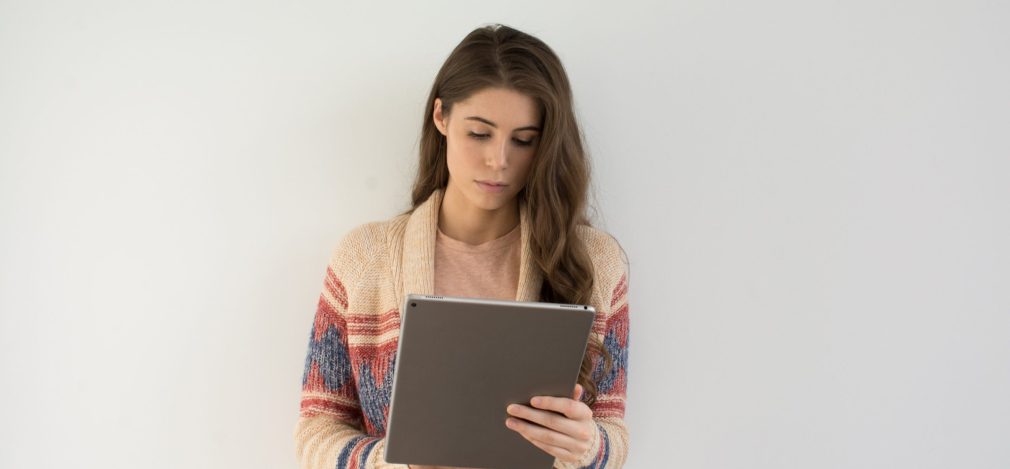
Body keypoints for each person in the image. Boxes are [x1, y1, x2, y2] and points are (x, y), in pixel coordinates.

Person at [294, 23, 630, 469]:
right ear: (441, 118)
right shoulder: (364, 258)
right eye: (479, 133)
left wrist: (587, 446)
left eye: (524, 141)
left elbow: (614, 433)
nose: (499, 160)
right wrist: (401, 464)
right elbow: (316, 427)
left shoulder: (596, 261)